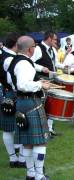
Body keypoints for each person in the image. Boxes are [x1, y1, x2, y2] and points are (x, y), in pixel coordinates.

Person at [8, 36, 50, 180]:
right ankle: (39, 175)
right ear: (30, 49)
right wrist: (40, 85)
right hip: (31, 102)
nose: (35, 48)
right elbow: (22, 84)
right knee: (40, 141)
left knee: (27, 142)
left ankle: (31, 174)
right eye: (34, 46)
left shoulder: (15, 60)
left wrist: (38, 80)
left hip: (21, 103)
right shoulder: (24, 63)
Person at [31, 31, 65, 137]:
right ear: (49, 38)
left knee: (51, 104)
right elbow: (30, 62)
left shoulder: (53, 49)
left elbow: (55, 64)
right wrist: (41, 68)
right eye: (55, 39)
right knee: (43, 104)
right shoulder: (38, 49)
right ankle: (43, 131)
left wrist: (66, 67)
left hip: (51, 78)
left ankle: (49, 130)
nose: (56, 41)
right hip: (42, 80)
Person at [0, 32, 26, 168]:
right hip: (14, 94)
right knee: (21, 127)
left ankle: (13, 158)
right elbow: (15, 82)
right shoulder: (10, 59)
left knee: (8, 129)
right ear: (17, 44)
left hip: (6, 94)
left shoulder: (4, 55)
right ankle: (20, 159)